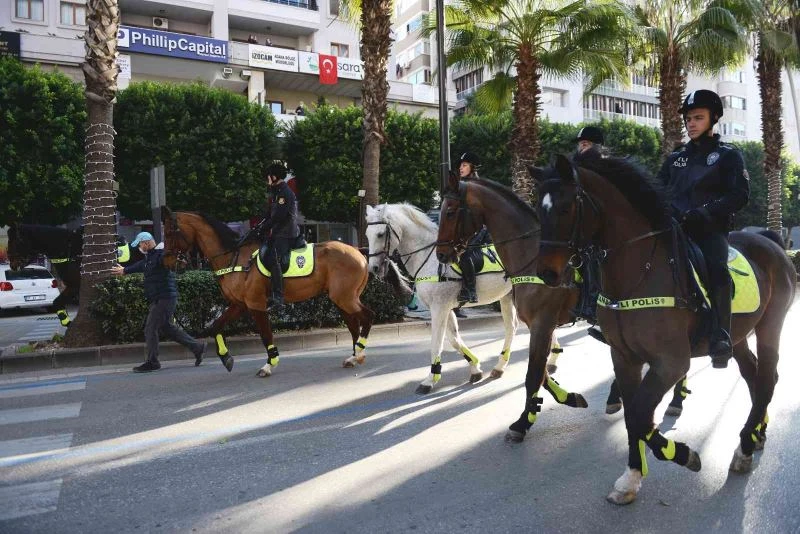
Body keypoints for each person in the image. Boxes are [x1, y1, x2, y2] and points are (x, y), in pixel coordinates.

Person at [656, 89, 750, 368]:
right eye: (688, 119)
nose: (691, 124)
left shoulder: (728, 156)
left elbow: (739, 196)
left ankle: (721, 336)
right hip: (674, 229)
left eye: (698, 117)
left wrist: (704, 212)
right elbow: (657, 192)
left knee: (717, 268)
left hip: (709, 231)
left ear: (714, 118)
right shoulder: (676, 158)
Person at [111, 232, 206, 373]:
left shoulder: (161, 255)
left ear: (146, 243)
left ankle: (153, 362)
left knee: (150, 328)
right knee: (167, 328)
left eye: (140, 244)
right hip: (160, 298)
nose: (139, 248)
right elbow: (141, 265)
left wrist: (178, 261)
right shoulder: (150, 257)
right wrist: (125, 270)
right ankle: (197, 347)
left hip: (164, 298)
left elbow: (171, 262)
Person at [573, 126, 606, 345]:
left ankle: (596, 309)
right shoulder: (575, 170)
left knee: (595, 263)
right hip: (581, 228)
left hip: (603, 228)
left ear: (597, 146)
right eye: (580, 144)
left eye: (586, 143)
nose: (581, 146)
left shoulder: (605, 167)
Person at [254, 162, 300, 312]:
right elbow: (269, 215)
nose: (266, 180)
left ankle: (278, 298)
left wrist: (265, 228)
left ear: (273, 177)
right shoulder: (276, 193)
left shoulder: (284, 193)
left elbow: (278, 217)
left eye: (267, 177)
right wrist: (259, 226)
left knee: (274, 259)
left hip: (286, 234)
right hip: (278, 233)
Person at [455, 152, 489, 304]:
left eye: (464, 165)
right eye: (460, 166)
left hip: (481, 229)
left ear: (472, 167)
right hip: (466, 230)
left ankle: (471, 290)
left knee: (465, 253)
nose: (460, 168)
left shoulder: (478, 187)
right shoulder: (461, 185)